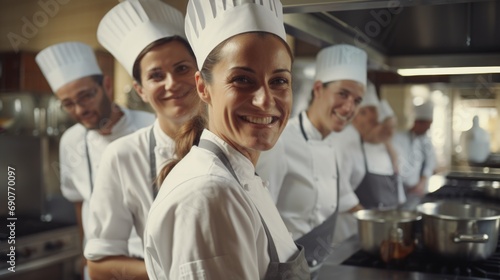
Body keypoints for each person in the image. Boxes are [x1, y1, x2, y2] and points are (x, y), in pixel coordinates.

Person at [144, 0, 310, 279]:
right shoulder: (208, 194)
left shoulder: (238, 177)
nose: (265, 100)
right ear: (203, 88)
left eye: (279, 81)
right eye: (243, 80)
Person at [82, 1, 201, 279]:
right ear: (141, 90)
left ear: (199, 75)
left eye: (182, 68)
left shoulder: (236, 142)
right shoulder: (123, 155)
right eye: (156, 76)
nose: (171, 83)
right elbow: (99, 265)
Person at [35, 41, 155, 279]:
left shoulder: (151, 125)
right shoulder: (71, 140)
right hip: (101, 263)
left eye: (86, 96)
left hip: (148, 259)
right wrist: (83, 251)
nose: (79, 110)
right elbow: (80, 202)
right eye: (68, 103)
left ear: (106, 86)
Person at [256, 43, 367, 277]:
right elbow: (260, 221)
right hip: (285, 271)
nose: (349, 107)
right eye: (343, 94)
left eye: (357, 100)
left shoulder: (331, 143)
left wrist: (384, 226)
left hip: (317, 269)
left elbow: (346, 200)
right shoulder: (282, 141)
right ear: (318, 88)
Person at [330, 83, 405, 244]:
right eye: (364, 113)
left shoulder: (387, 148)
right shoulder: (344, 142)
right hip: (352, 231)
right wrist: (372, 221)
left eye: (373, 113)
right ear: (354, 117)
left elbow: (397, 192)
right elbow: (340, 192)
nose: (370, 118)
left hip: (383, 230)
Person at [393, 101, 437, 197]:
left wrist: (422, 182)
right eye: (427, 125)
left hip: (420, 191)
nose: (428, 128)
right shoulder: (399, 139)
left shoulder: (427, 142)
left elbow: (431, 164)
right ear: (417, 122)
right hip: (402, 190)